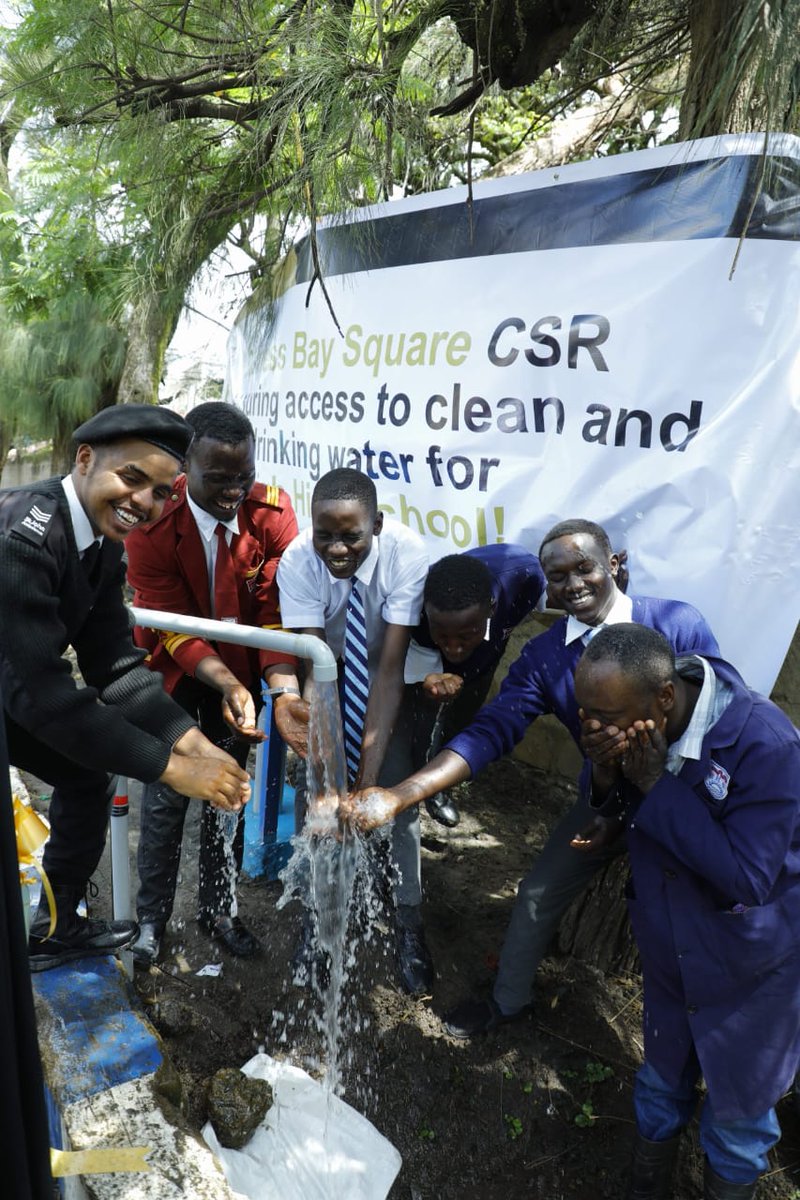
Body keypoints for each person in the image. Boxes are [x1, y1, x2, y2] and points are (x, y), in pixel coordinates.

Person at [343, 518, 719, 1033]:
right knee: (537, 894)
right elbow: (491, 730)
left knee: (683, 918)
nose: (573, 584)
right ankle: (508, 1004)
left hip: (694, 801)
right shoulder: (545, 656)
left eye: (584, 568)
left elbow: (717, 712)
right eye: (557, 576)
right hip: (606, 800)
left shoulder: (676, 624)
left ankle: (691, 1042)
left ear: (613, 565)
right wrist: (401, 794)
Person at [0, 405, 251, 972]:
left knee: (86, 772)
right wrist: (171, 768)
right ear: (85, 458)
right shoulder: (24, 538)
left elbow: (115, 667)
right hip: (17, 689)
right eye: (132, 478)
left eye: (160, 492)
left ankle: (56, 928)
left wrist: (193, 743)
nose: (144, 502)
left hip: (15, 687)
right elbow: (46, 699)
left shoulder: (103, 540)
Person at [573, 623, 800, 1200]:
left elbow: (748, 877)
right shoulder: (637, 719)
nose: (594, 727)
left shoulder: (766, 746)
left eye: (605, 717)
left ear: (666, 697)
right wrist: (605, 770)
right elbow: (617, 800)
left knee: (738, 1120)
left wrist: (656, 783)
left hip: (746, 967)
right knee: (659, 1083)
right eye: (586, 716)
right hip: (672, 948)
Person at [125, 402, 299, 964]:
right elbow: (171, 625)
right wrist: (223, 682)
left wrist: (280, 691)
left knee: (229, 789)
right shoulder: (151, 521)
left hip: (245, 673)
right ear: (186, 466)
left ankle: (219, 910)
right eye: (219, 478)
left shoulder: (272, 515)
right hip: (174, 668)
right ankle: (150, 920)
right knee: (168, 795)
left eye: (243, 475)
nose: (234, 491)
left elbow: (274, 614)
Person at [275, 467, 432, 994]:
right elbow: (316, 669)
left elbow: (388, 672)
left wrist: (365, 783)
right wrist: (329, 778)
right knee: (318, 800)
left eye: (352, 536)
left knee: (395, 794)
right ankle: (317, 920)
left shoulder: (406, 554)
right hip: (329, 667)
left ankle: (407, 921)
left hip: (387, 668)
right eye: (325, 535)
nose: (337, 549)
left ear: (377, 525)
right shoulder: (299, 560)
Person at [407, 545, 546, 827]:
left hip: (486, 651)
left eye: (464, 637)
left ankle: (441, 784)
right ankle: (421, 781)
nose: (454, 648)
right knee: (427, 718)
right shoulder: (417, 607)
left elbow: (527, 610)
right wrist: (430, 681)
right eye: (443, 636)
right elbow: (425, 659)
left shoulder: (525, 575)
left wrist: (487, 644)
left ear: (491, 609)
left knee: (464, 716)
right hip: (434, 660)